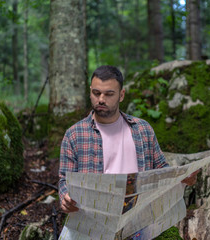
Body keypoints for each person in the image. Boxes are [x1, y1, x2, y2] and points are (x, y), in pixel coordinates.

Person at [58, 65, 198, 237]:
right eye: (96, 93)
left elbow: (162, 168)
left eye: (109, 94)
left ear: (121, 95)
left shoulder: (142, 130)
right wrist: (65, 198)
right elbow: (65, 179)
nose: (101, 99)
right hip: (91, 222)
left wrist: (183, 178)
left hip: (136, 221)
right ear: (90, 92)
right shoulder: (74, 134)